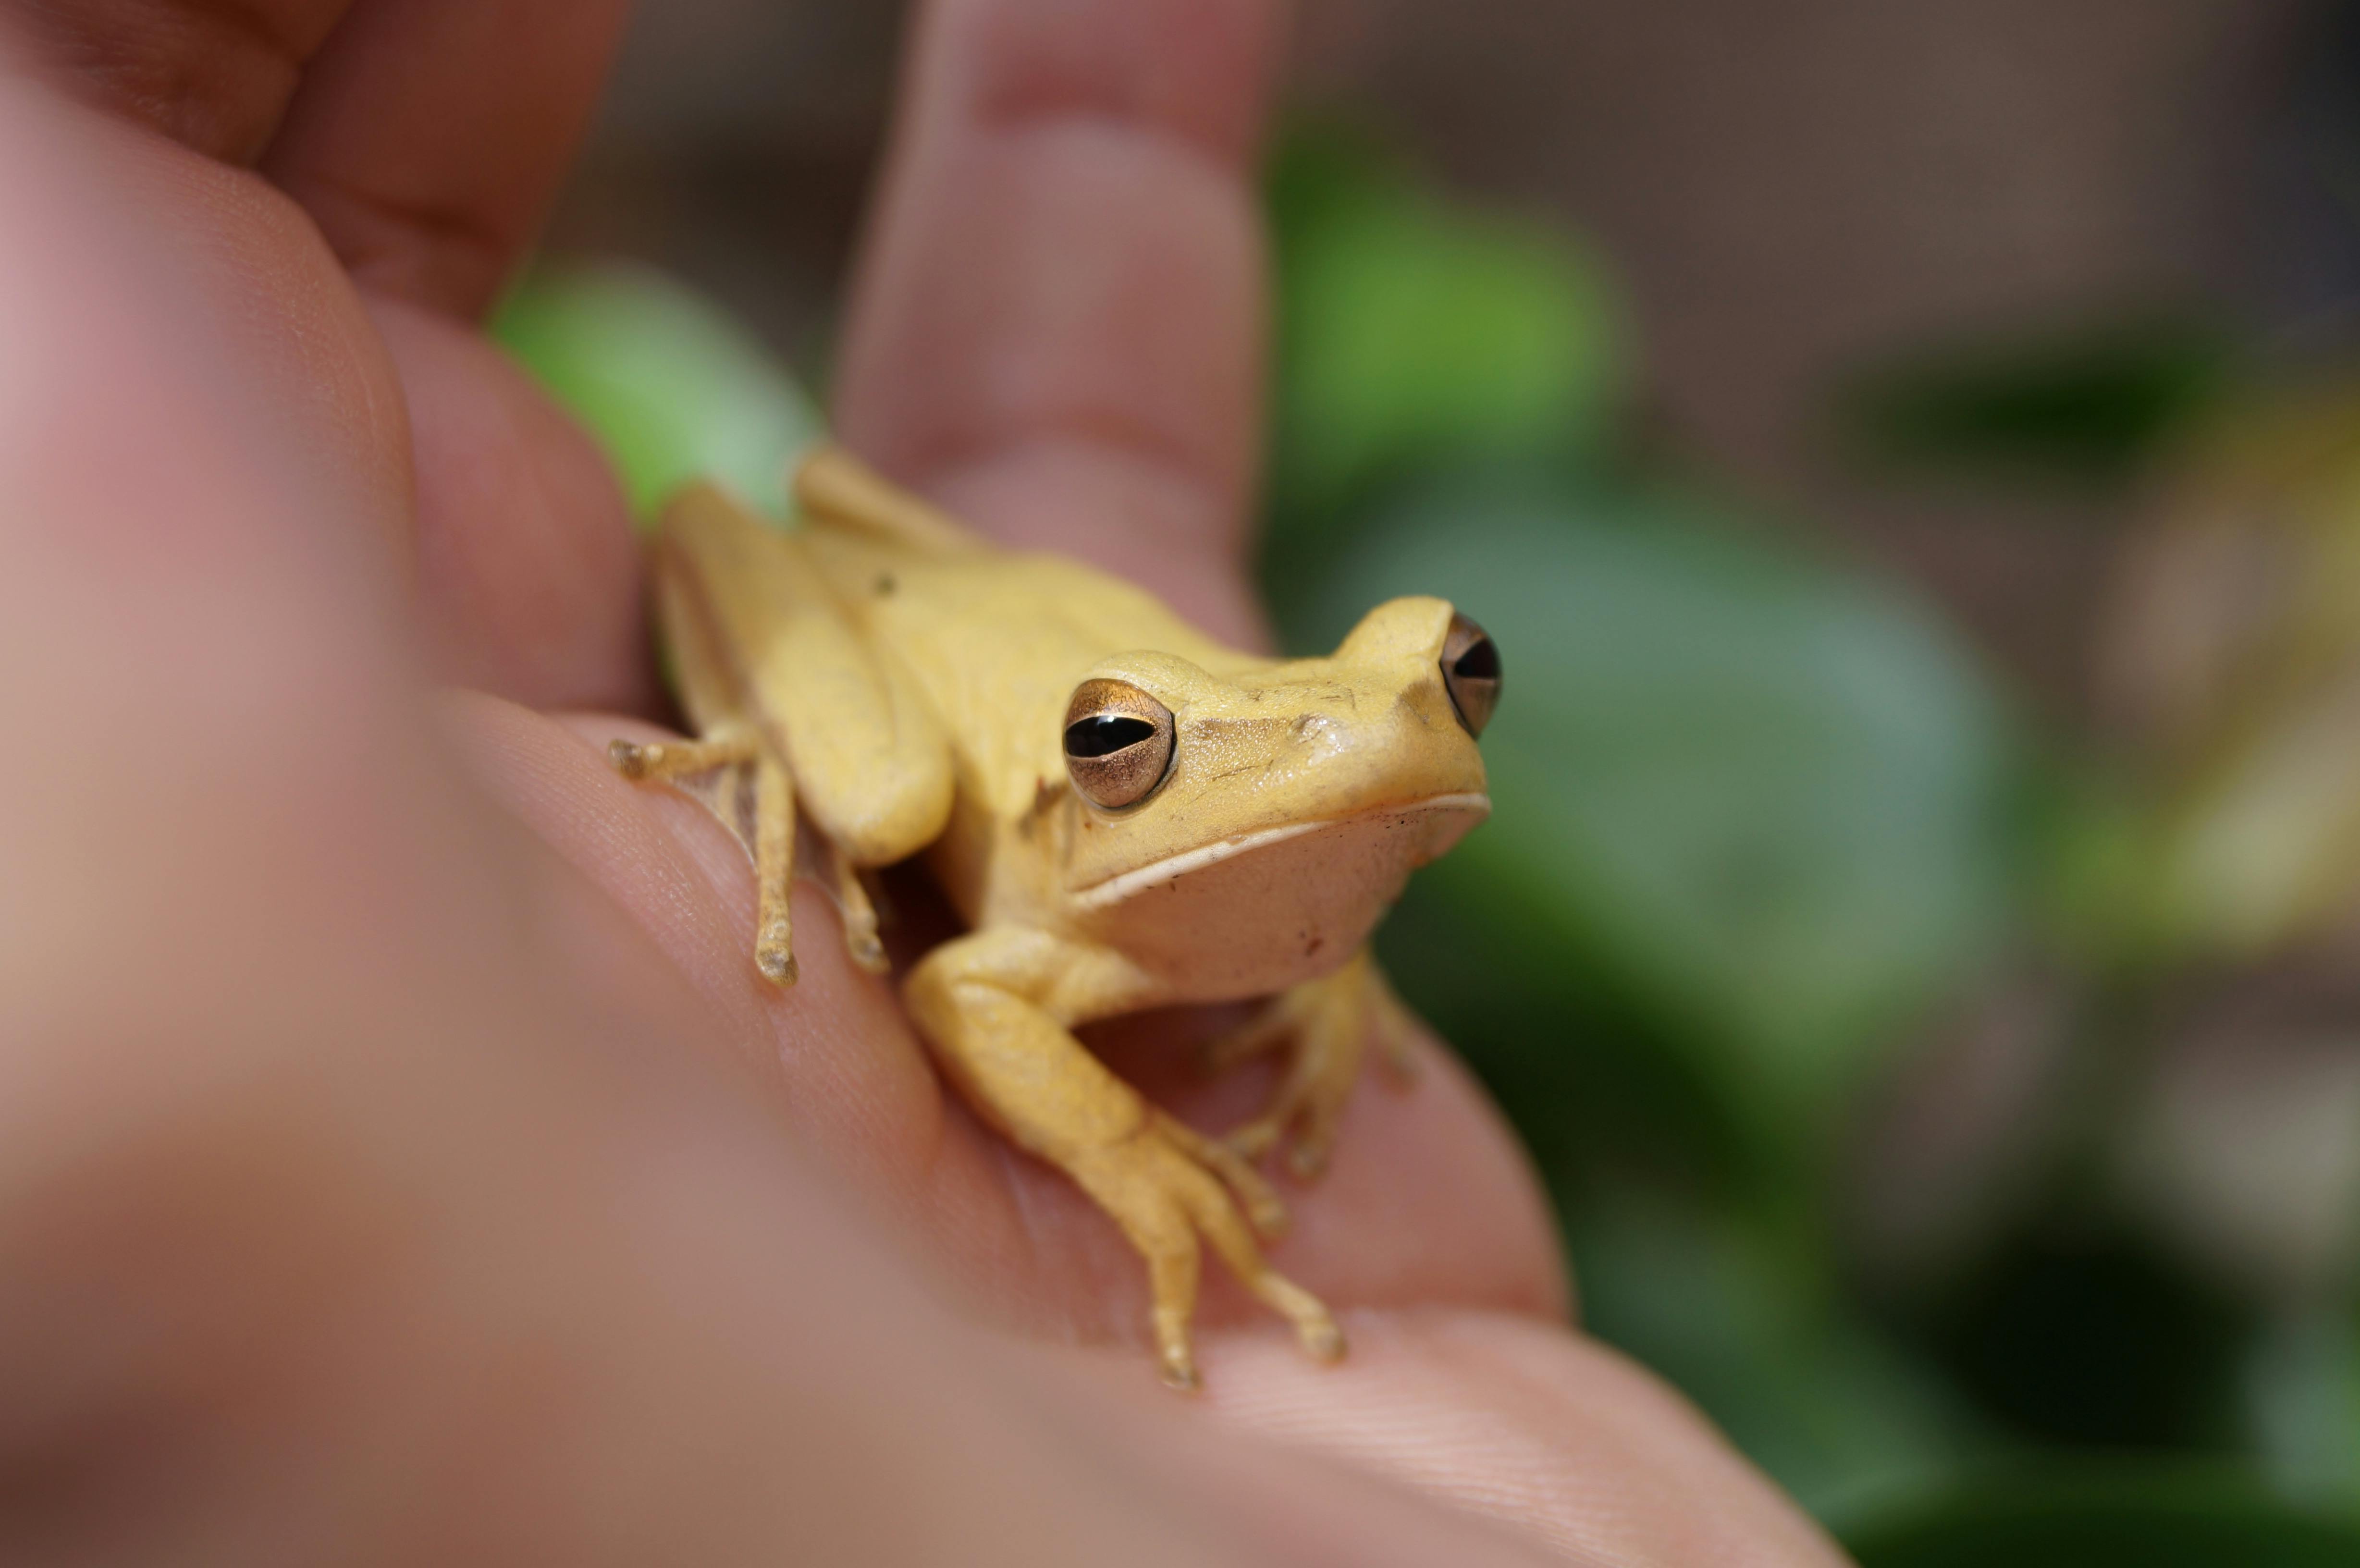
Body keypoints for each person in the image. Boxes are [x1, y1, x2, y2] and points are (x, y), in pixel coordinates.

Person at [0, 1, 1846, 1561]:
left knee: (1288, 787)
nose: (1406, 731)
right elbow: (973, 989)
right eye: (1126, 755)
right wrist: (1126, 1147)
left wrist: (1327, 971)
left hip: (1024, 610)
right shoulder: (1076, 917)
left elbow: (1335, 819)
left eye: (1455, 682)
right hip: (916, 633)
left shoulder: (1332, 826)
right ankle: (909, 737)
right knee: (884, 811)